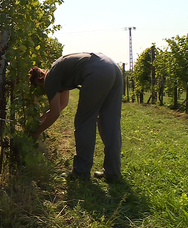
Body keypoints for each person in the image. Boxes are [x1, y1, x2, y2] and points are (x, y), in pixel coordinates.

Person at [29, 52, 123, 182]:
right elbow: (62, 104)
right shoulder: (58, 71)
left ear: (39, 80)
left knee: (84, 122)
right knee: (110, 123)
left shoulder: (49, 79)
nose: (42, 91)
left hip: (97, 72)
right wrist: (43, 117)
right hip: (111, 67)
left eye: (38, 88)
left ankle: (81, 172)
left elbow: (56, 113)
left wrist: (37, 132)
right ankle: (113, 173)